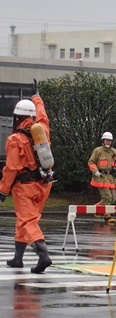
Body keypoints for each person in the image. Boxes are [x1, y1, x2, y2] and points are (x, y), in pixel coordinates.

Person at [0, 85, 53, 274]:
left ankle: (43, 255)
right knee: (24, 219)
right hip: (44, 185)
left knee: (27, 221)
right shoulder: (42, 131)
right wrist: (37, 98)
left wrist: (3, 190)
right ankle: (18, 258)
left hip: (25, 187)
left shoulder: (15, 139)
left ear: (17, 117)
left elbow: (11, 168)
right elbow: (43, 116)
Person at [88, 131, 116, 223]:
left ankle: (98, 210)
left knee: (113, 198)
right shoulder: (97, 151)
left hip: (110, 177)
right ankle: (107, 216)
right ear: (103, 141)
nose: (108, 142)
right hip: (101, 177)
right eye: (107, 140)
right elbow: (91, 162)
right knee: (107, 197)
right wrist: (95, 171)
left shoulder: (113, 152)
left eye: (110, 141)